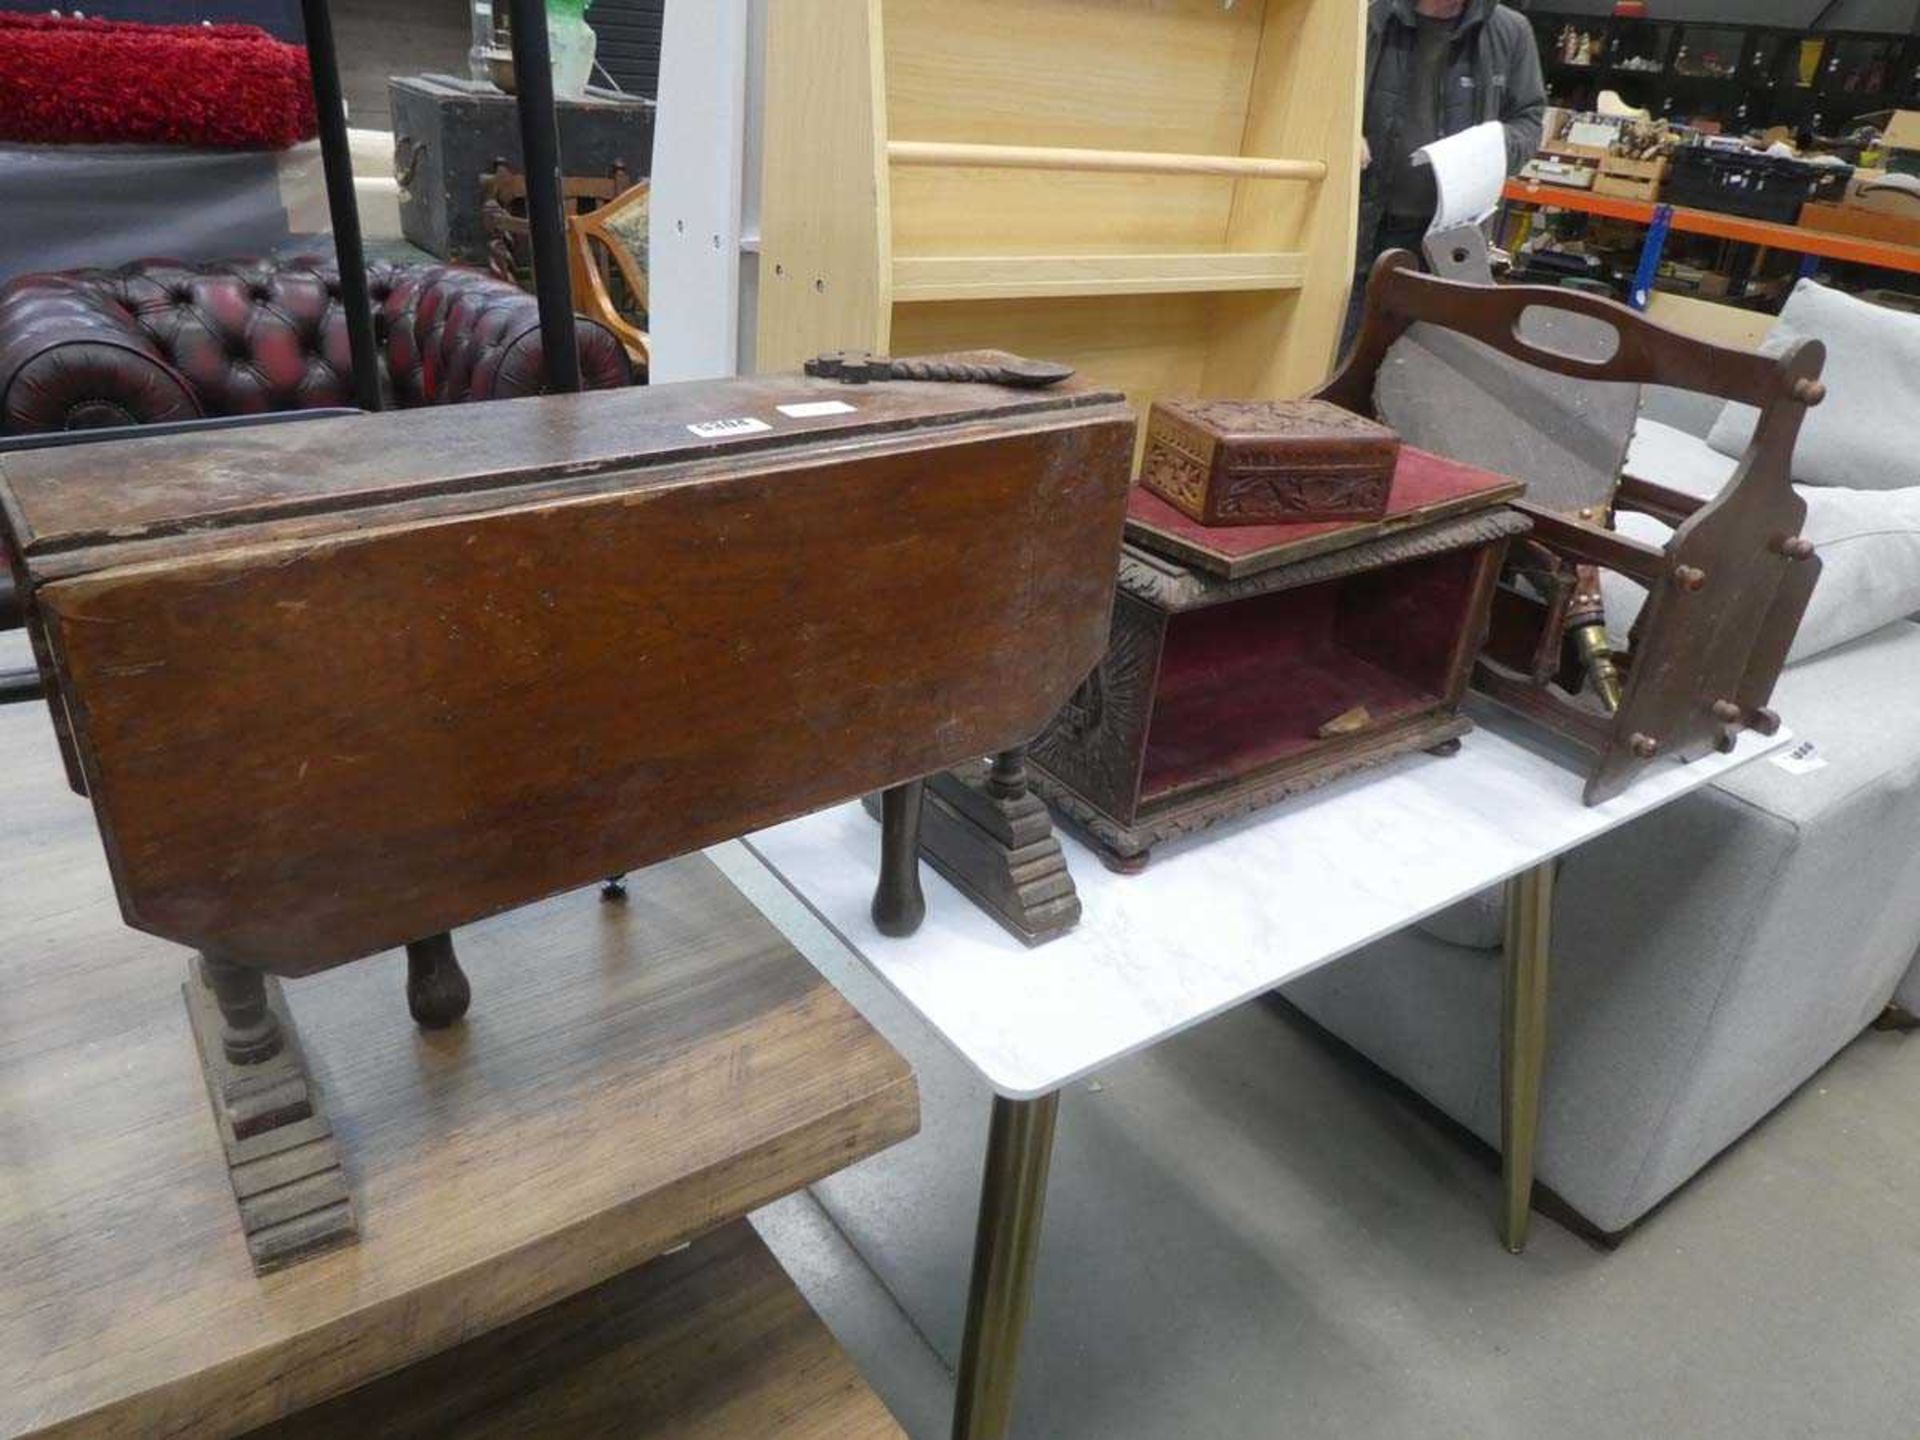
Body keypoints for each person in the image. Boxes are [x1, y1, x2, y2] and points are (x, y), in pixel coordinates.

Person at [1342, 0, 1546, 353]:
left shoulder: (1509, 32)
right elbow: (1322, 90)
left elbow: (1528, 121)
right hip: (1359, 228)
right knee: (1338, 351)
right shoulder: (1371, 16)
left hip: (1447, 240)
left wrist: (1490, 149)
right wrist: (1343, 130)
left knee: (1421, 365)